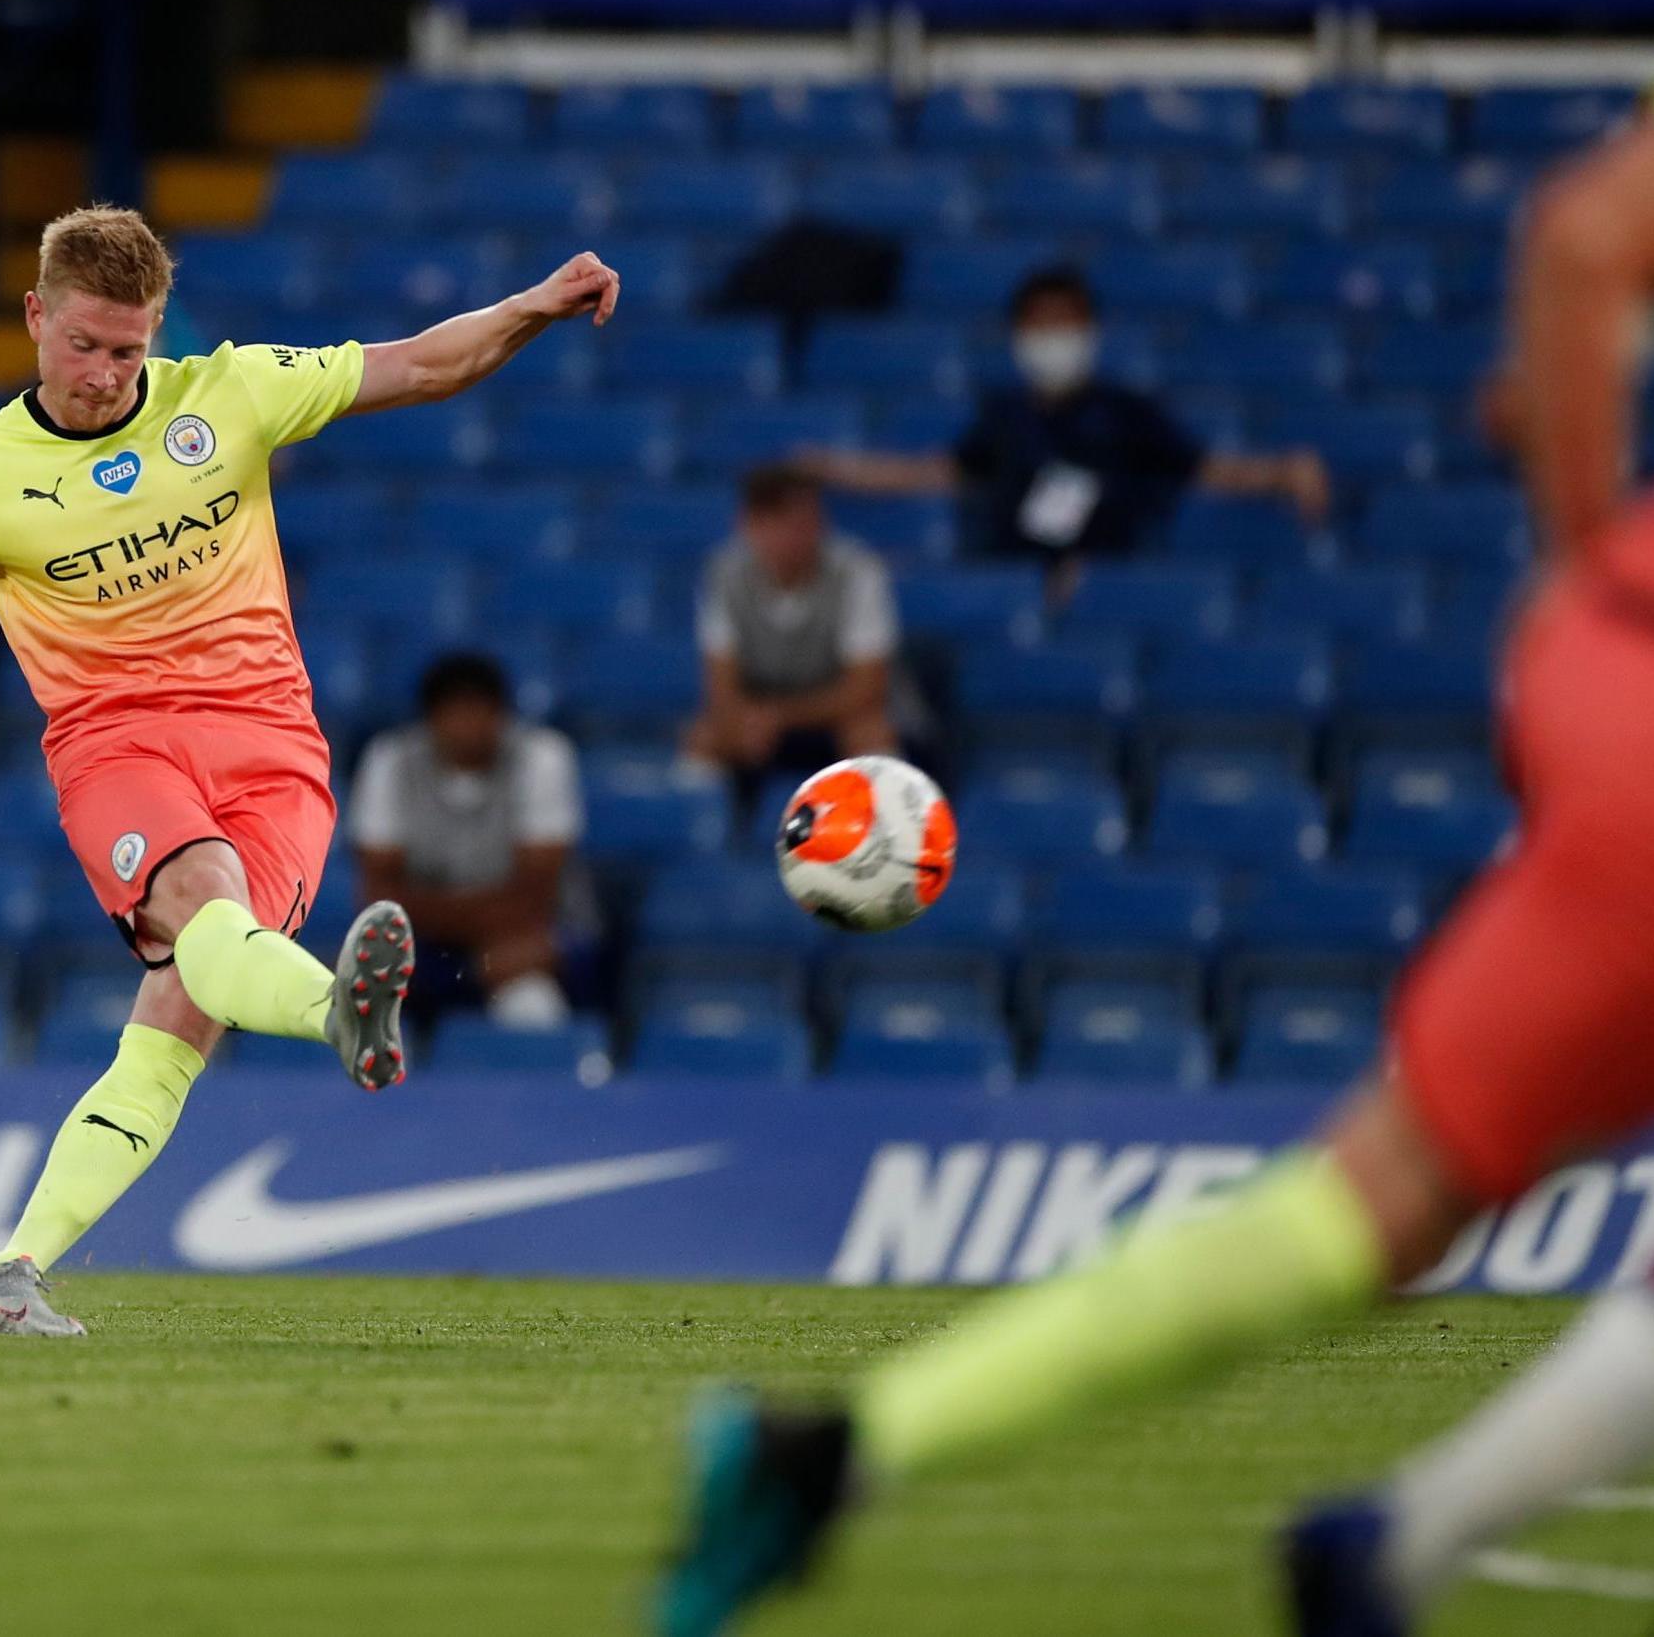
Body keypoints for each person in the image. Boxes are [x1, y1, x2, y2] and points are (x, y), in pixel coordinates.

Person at [655, 121, 1654, 1637]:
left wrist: (1582, 575)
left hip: (1620, 684)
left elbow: (1583, 239)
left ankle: (837, 1450)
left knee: (1366, 1202)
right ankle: (1404, 1535)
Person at [0, 205, 621, 1337]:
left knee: (176, 1019)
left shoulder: (228, 393)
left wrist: (529, 307)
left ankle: (7, 1274)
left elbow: (424, 365)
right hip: (118, 742)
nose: (104, 373)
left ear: (157, 332)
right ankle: (331, 1008)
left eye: (128, 349)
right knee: (202, 905)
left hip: (274, 749)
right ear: (36, 317)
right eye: (85, 344)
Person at [800, 264, 1331, 596]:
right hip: (1014, 582)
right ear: (1018, 334)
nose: (1053, 336)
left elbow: (1205, 470)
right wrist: (834, 469)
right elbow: (933, 472)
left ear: (1089, 330)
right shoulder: (1004, 417)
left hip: (1109, 587)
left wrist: (1284, 470)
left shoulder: (1127, 414)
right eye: (1040, 323)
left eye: (1065, 322)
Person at [350, 652, 592, 1030]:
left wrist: (431, 913)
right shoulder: (391, 760)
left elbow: (534, 898)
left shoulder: (542, 757)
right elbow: (378, 895)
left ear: (502, 714)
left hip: (530, 935)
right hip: (427, 943)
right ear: (430, 719)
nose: (468, 726)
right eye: (455, 713)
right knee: (364, 992)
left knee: (532, 1002)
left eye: (479, 711)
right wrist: (467, 962)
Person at [684, 465, 911, 792]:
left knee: (872, 735)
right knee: (705, 737)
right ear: (752, 526)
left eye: (811, 521)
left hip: (833, 720)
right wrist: (745, 721)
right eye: (787, 523)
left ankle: (886, 835)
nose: (804, 534)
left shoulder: (858, 571)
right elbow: (720, 683)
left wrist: (781, 716)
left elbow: (866, 687)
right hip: (761, 723)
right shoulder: (723, 574)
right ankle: (707, 835)